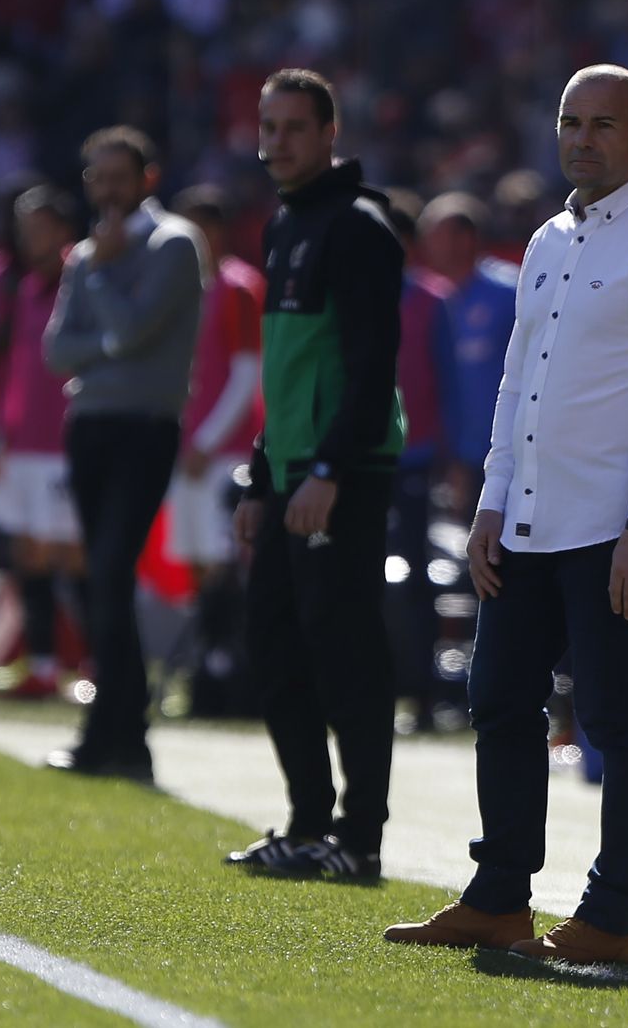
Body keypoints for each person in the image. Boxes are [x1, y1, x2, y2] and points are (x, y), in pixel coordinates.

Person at [386, 65, 628, 961]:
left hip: (614, 528)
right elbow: (516, 384)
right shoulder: (546, 239)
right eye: (571, 120)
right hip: (525, 519)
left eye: (605, 124)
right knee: (497, 698)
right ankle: (499, 898)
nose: (583, 137)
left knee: (615, 717)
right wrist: (491, 500)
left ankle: (611, 918)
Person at [224, 68, 406, 879]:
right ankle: (306, 823)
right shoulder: (285, 225)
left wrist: (328, 469)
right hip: (293, 474)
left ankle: (359, 839)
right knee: (273, 644)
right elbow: (289, 373)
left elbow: (370, 367)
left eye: (294, 127)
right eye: (269, 127)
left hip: (346, 474)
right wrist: (263, 480)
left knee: (346, 654)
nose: (278, 142)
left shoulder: (360, 228)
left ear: (331, 134)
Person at [42, 125, 206, 782]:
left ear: (147, 178)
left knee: (111, 570)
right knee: (98, 579)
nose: (107, 190)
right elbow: (58, 350)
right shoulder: (85, 254)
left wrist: (105, 283)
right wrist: (109, 332)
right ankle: (117, 733)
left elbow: (135, 330)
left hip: (144, 427)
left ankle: (116, 731)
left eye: (119, 176)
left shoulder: (172, 245)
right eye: (97, 177)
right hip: (91, 425)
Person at [0, 185, 92, 700]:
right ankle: (44, 667)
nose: (32, 237)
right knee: (28, 554)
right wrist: (2, 433)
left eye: (41, 226)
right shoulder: (23, 287)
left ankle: (97, 669)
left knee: (74, 556)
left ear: (63, 229)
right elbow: (16, 371)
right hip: (21, 443)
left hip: (66, 444)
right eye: (26, 227)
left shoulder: (85, 278)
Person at [167, 183, 266, 716]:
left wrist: (206, 441)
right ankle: (207, 665)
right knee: (199, 564)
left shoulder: (239, 287)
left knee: (226, 562)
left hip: (224, 453)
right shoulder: (180, 287)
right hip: (185, 452)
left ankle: (226, 669)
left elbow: (248, 373)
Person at [383, 189, 451, 732]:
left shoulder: (432, 302)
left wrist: (454, 458)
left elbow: (448, 384)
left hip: (415, 459)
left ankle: (424, 695)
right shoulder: (356, 297)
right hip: (364, 460)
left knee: (420, 577)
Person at [418, 191, 518, 516]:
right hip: (452, 450)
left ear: (466, 237)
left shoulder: (508, 293)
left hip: (509, 448)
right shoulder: (431, 298)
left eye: (437, 235)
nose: (429, 245)